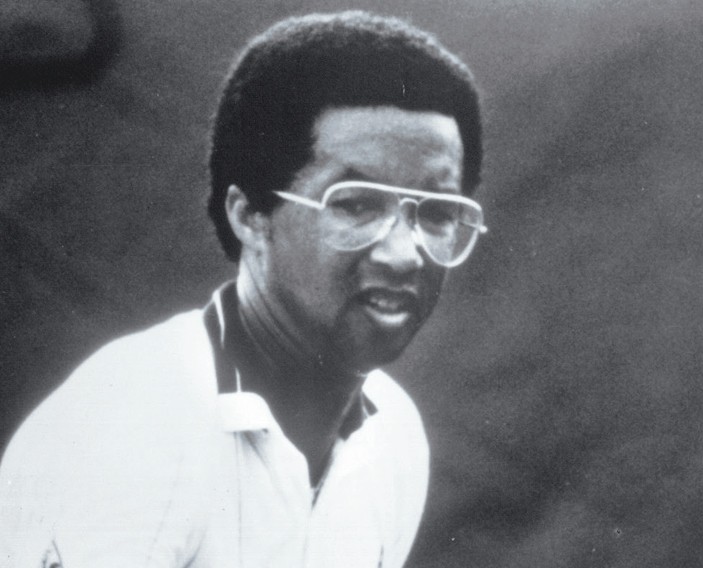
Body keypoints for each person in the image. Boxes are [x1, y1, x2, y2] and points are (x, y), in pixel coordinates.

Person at [0, 11, 485, 567]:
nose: (404, 254)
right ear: (250, 215)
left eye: (438, 213)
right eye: (355, 205)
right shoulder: (137, 425)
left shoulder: (394, 437)